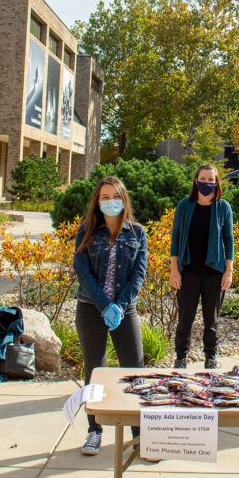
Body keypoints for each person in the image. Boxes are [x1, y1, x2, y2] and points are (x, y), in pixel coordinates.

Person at [72, 176, 148, 456]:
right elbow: (82, 270)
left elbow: (139, 273)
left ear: (124, 199)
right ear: (97, 201)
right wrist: (104, 305)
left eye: (114, 196)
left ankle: (139, 434)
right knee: (95, 371)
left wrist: (120, 304)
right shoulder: (87, 230)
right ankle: (94, 431)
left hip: (124, 310)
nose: (110, 201)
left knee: (134, 370)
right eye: (104, 197)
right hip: (91, 309)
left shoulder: (137, 233)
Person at [169, 164, 234, 369]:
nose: (207, 183)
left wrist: (229, 270)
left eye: (210, 179)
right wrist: (174, 270)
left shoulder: (223, 207)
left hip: (214, 272)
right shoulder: (184, 206)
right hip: (188, 271)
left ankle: (211, 358)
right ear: (196, 181)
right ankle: (181, 358)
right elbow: (176, 238)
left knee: (211, 321)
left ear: (216, 183)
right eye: (203, 179)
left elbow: (229, 240)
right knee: (185, 319)